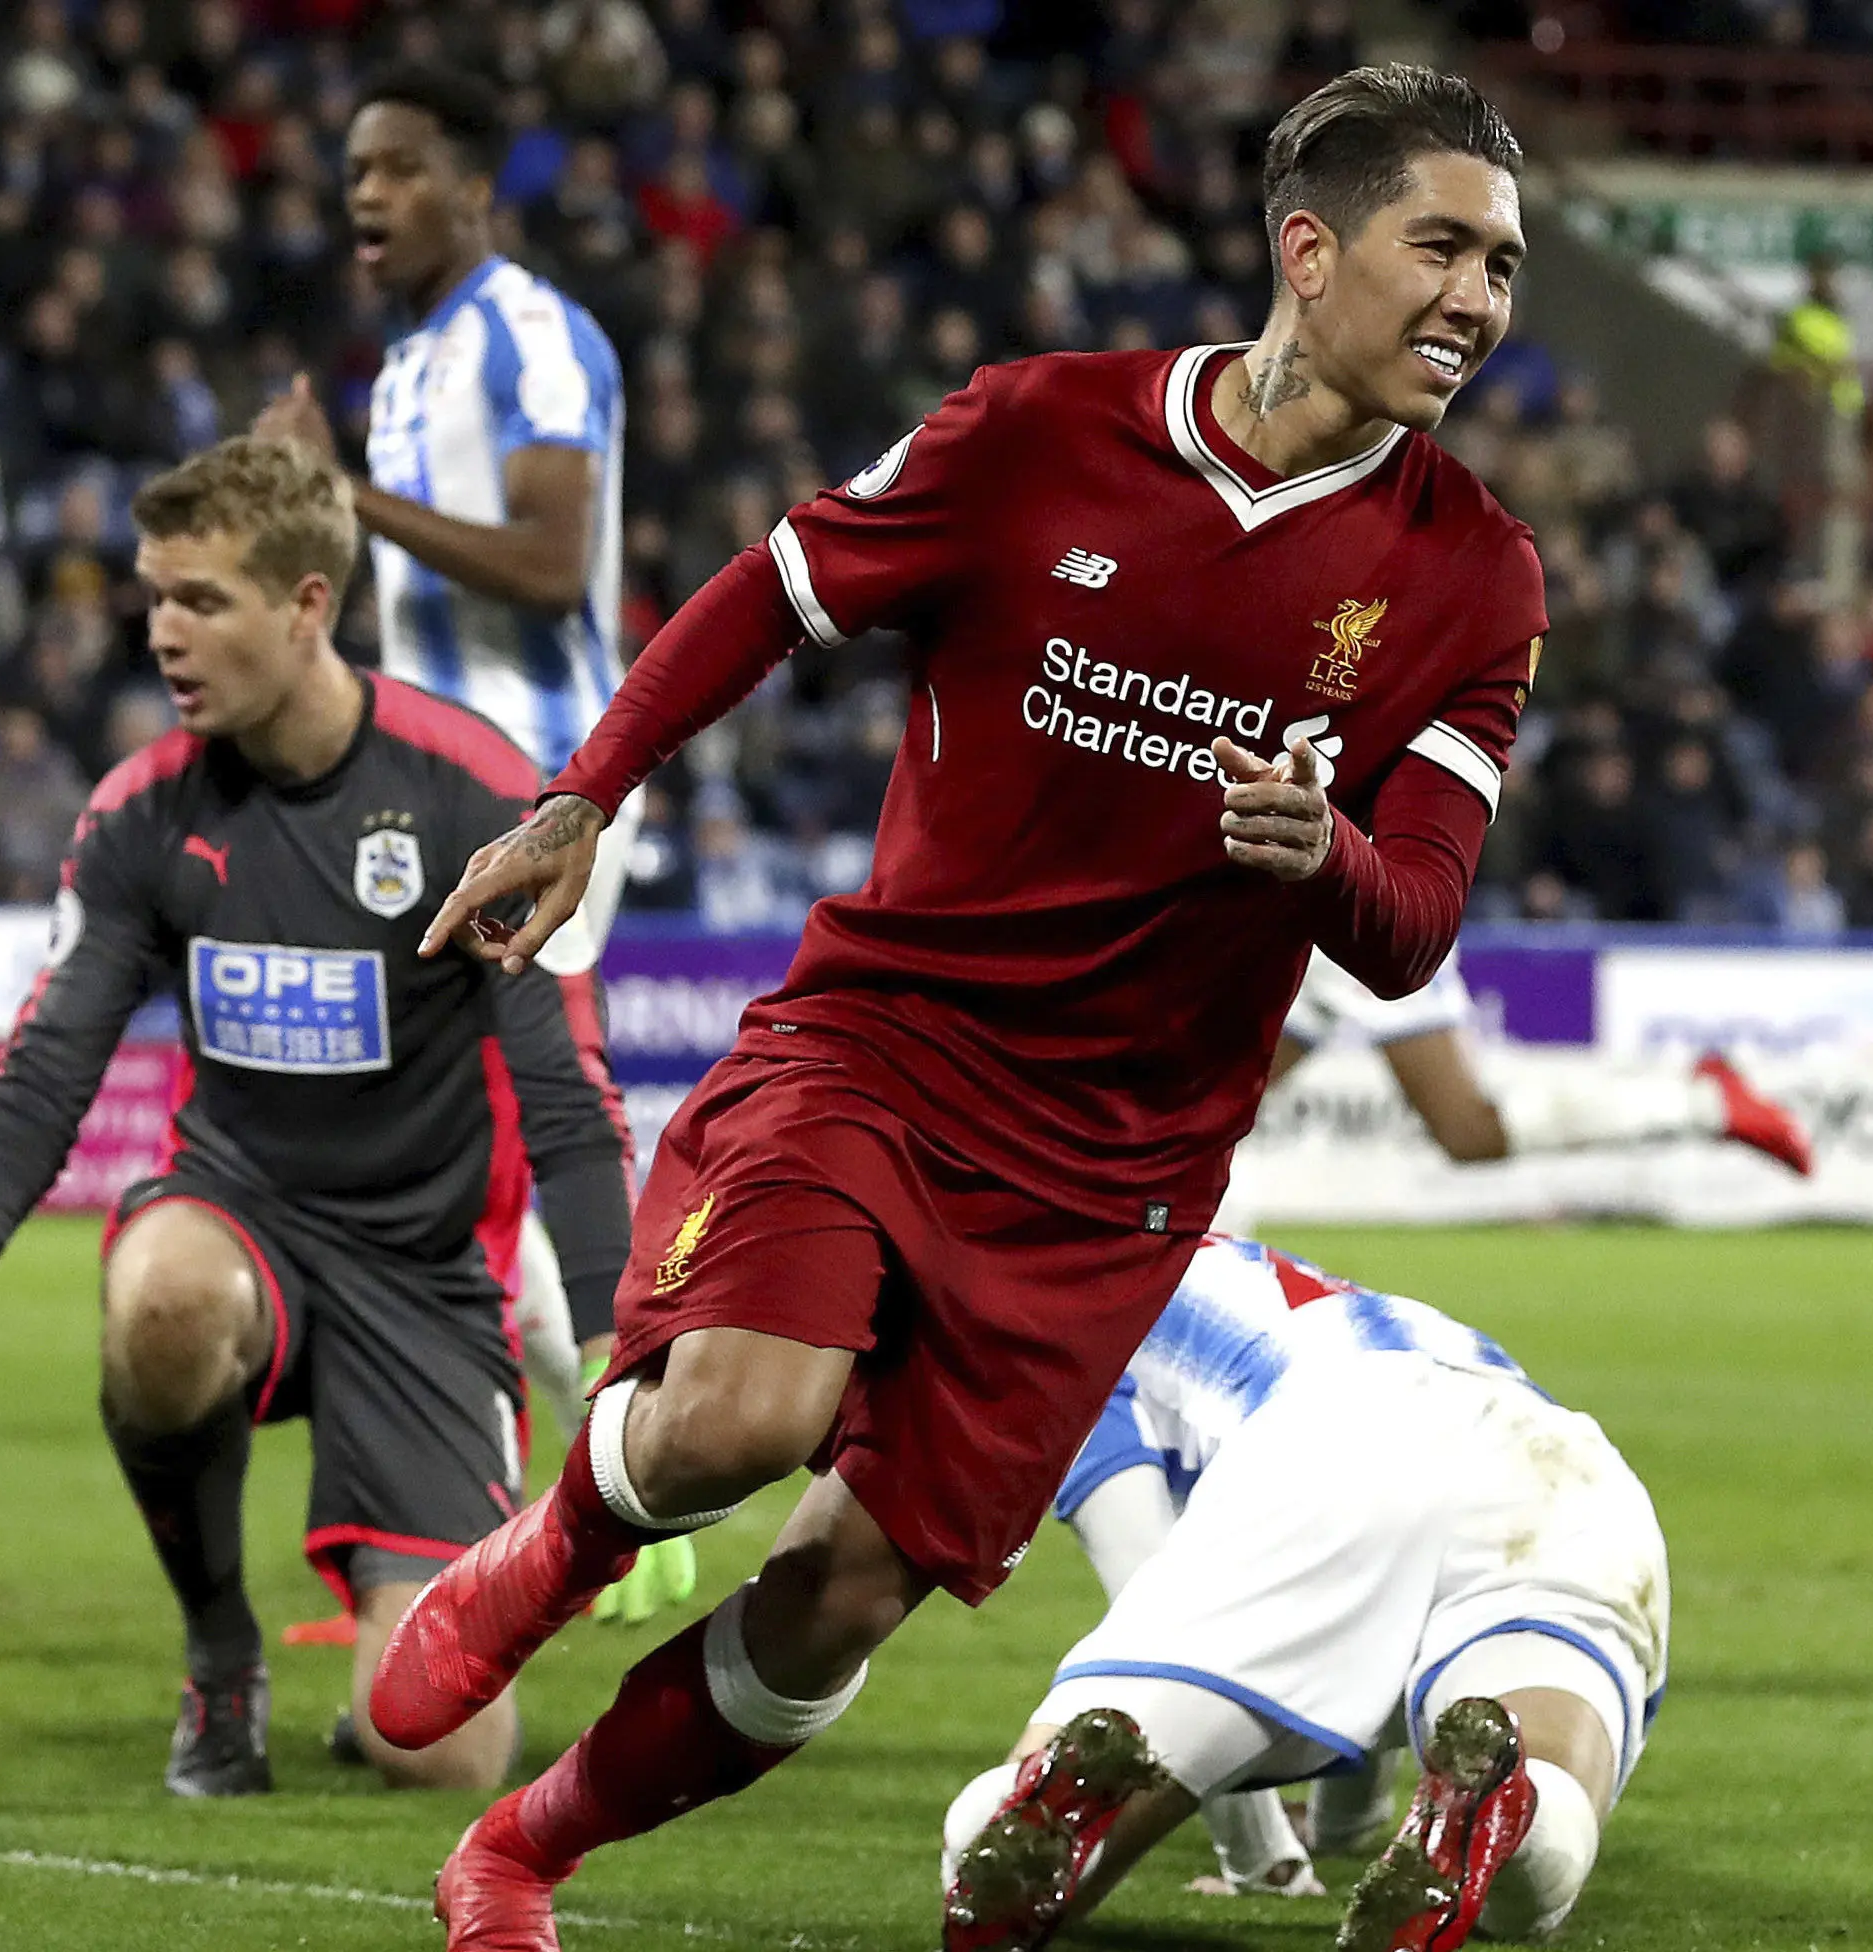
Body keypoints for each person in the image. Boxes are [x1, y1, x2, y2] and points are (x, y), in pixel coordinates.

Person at [380, 65, 1555, 1946]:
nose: (1478, 302)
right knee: (736, 1417)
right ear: (1306, 250)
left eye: (1500, 266)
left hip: (1117, 1167)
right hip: (890, 1042)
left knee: (833, 1601)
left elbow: (1410, 924)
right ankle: (562, 1536)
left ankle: (520, 1843)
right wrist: (581, 795)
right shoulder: (1036, 430)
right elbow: (767, 595)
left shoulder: (1472, 576)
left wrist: (1318, 850)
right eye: (1442, 247)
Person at [0, 439, 634, 1798]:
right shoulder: (138, 814)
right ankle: (219, 1643)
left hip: (425, 1275)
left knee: (443, 1747)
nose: (164, 634)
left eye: (202, 600)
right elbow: (43, 1077)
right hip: (243, 1219)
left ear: (306, 604)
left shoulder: (476, 798)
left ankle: (380, 1676)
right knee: (161, 1297)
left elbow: (570, 1109)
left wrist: (611, 1376)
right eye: (154, 598)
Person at [250, 65, 640, 1526]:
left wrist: (341, 491)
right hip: (429, 786)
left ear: (474, 185)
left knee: (511, 1144)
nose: (364, 192)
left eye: (399, 165)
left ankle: (558, 1486)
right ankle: (573, 1482)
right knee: (439, 1156)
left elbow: (548, 561)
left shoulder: (528, 334)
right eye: (353, 166)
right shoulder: (410, 362)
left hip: (545, 786)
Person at [939, 1236, 1663, 1950]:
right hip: (1557, 1460)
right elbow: (1376, 1595)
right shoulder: (1218, 1259)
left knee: (994, 1841)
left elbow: (1153, 1595)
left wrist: (1262, 1860)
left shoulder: (1054, 1320)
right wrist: (1346, 1831)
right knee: (1538, 1810)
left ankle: (1020, 1814)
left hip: (1330, 1438)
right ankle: (1516, 1808)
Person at [1273, 951, 1812, 1175]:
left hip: (1345, 914)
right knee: (1208, 1108)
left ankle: (1705, 1103)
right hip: (1301, 888)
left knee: (1467, 1129)